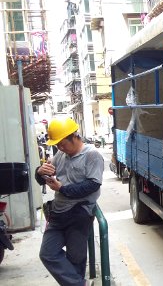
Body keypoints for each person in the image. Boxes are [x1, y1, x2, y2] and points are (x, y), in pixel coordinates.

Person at [35, 117, 104, 286]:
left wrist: (62, 189)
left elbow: (93, 185)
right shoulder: (61, 155)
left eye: (62, 143)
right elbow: (43, 179)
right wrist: (40, 171)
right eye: (57, 145)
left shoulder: (92, 155)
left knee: (76, 258)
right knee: (47, 254)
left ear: (74, 137)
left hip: (79, 213)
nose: (60, 148)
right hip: (58, 213)